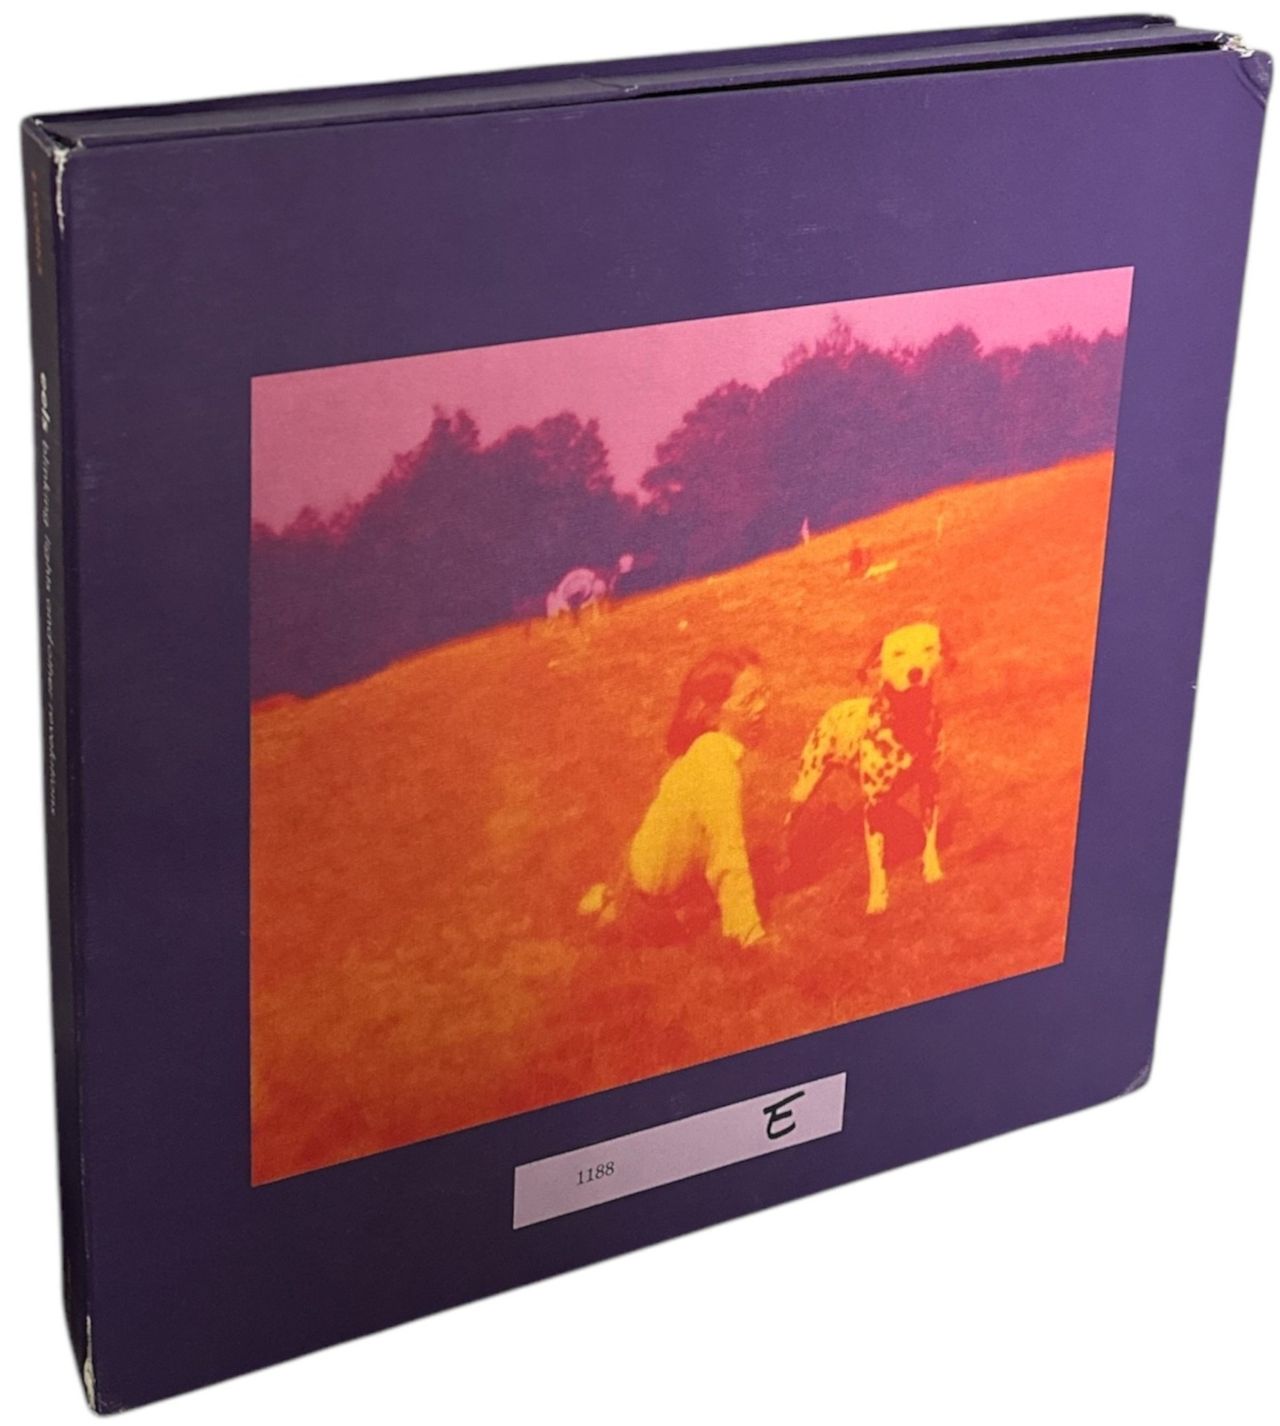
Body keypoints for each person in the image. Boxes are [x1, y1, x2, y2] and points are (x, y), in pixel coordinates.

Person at [580, 648, 770, 948]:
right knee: (669, 923)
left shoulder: (707, 748)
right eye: (747, 701)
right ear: (712, 713)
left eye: (763, 693)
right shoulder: (715, 763)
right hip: (650, 902)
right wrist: (749, 933)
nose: (762, 706)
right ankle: (616, 909)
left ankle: (611, 896)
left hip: (639, 864)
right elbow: (727, 854)